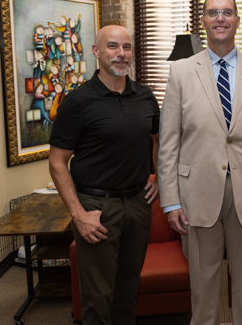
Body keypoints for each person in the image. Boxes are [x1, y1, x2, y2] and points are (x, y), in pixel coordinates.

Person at [158, 0, 242, 325]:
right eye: (213, 12)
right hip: (196, 193)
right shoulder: (181, 72)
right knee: (202, 285)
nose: (220, 18)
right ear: (203, 21)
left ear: (237, 20)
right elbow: (168, 143)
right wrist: (171, 202)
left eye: (227, 12)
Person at [49, 25, 160, 325]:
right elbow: (57, 162)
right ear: (97, 51)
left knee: (128, 289)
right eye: (112, 46)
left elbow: (159, 138)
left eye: (126, 47)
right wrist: (78, 215)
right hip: (96, 208)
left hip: (138, 205)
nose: (121, 54)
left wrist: (159, 178)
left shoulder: (145, 96)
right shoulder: (78, 101)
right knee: (99, 296)